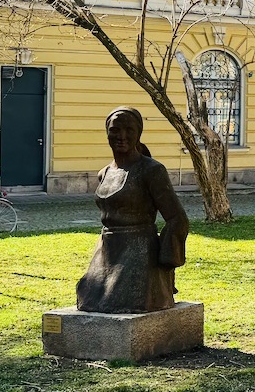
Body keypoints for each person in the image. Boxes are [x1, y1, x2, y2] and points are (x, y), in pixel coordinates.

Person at [75, 107, 190, 313]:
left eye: (129, 130)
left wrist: (164, 262)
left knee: (119, 301)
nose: (122, 136)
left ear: (139, 134)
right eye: (115, 130)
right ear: (107, 132)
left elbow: (177, 218)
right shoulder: (105, 173)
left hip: (139, 255)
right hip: (107, 251)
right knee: (90, 299)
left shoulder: (151, 171)